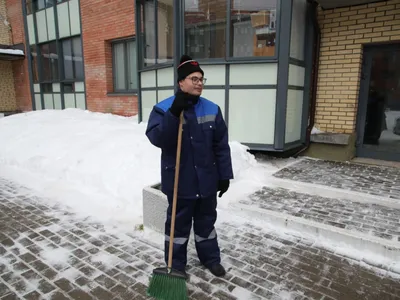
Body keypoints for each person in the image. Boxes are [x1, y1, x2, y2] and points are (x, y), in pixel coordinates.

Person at [145, 54, 234, 278]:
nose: (199, 83)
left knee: (206, 224)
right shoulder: (163, 109)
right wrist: (174, 113)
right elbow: (158, 139)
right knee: (178, 227)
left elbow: (221, 145)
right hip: (179, 181)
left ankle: (211, 259)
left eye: (201, 79)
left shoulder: (211, 109)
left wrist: (224, 175)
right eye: (193, 78)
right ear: (181, 82)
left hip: (206, 181)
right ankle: (175, 266)